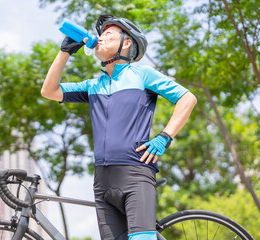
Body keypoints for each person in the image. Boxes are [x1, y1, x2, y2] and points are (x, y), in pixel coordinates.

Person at [41, 14, 197, 240]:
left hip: (135, 175)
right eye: (100, 35)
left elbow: (187, 98)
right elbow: (49, 91)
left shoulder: (142, 75)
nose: (101, 39)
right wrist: (64, 52)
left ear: (126, 43)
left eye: (109, 35)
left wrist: (164, 137)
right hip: (102, 181)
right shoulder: (93, 85)